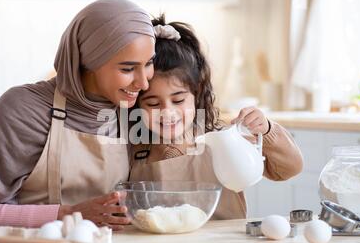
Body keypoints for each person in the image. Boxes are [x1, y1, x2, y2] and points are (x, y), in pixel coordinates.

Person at [0, 0, 155, 232]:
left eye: (149, 63)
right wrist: (67, 214)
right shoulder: (23, 109)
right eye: (127, 68)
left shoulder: (135, 110)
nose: (144, 82)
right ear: (88, 62)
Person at [129, 15, 303, 219]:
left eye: (178, 101)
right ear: (137, 104)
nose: (167, 112)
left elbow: (289, 169)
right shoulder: (133, 149)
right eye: (153, 104)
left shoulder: (223, 138)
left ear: (197, 93)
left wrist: (267, 131)